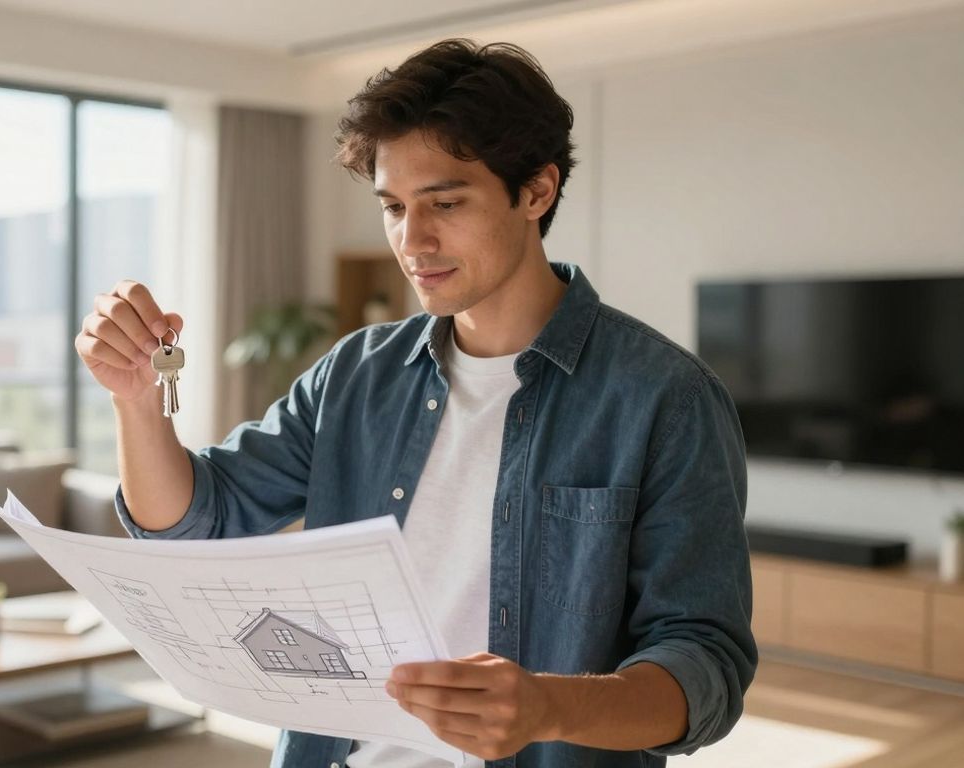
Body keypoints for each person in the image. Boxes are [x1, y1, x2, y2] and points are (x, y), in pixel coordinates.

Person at [75, 38, 755, 768]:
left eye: (445, 203)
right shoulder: (356, 375)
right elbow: (193, 520)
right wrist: (137, 402)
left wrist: (550, 708)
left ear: (536, 191)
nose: (413, 240)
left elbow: (705, 667)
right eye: (394, 207)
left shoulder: (666, 398)